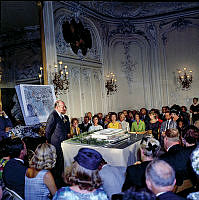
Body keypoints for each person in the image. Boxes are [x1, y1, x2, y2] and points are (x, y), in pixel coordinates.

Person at [45, 100, 70, 189]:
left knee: (61, 162)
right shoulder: (53, 116)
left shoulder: (61, 116)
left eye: (64, 106)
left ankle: (61, 180)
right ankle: (56, 182)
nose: (64, 108)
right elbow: (48, 130)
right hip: (56, 143)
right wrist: (49, 141)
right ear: (57, 107)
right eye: (62, 106)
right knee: (57, 162)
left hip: (62, 143)